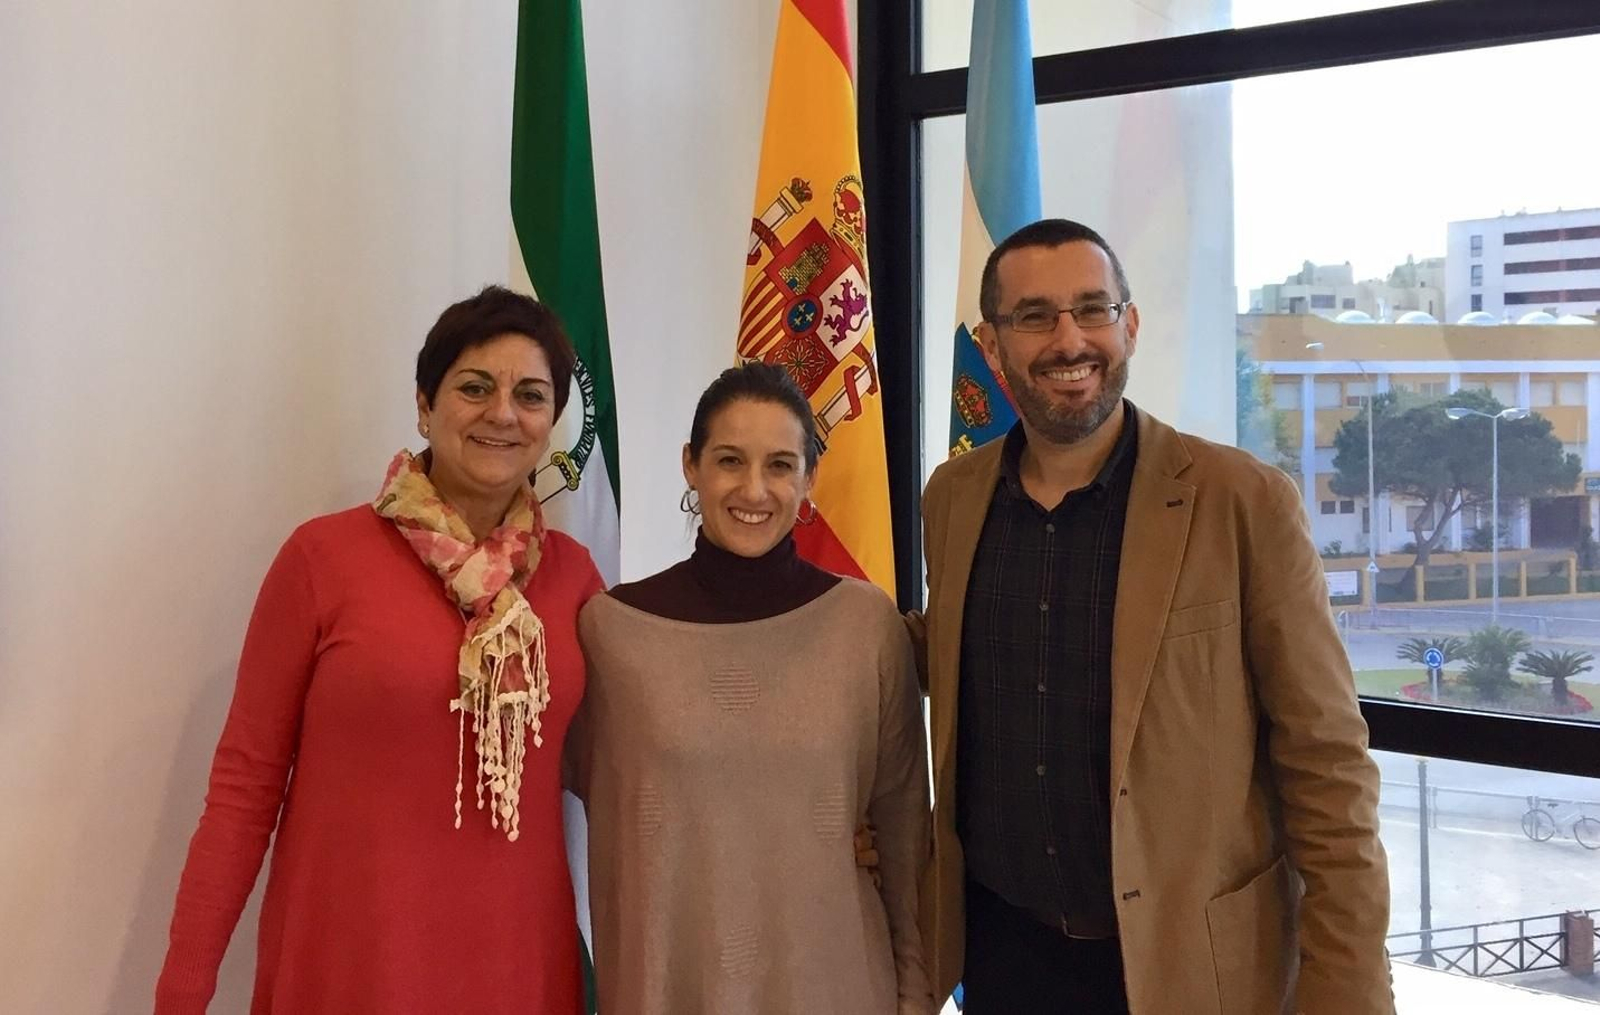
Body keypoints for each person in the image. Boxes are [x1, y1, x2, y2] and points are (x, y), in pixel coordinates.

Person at [917, 219, 1394, 1014]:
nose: (1070, 339)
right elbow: (943, 661)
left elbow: (1328, 767)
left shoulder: (1243, 501)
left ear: (1128, 325)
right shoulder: (953, 498)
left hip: (1189, 970)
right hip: (1001, 957)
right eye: (1035, 316)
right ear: (991, 346)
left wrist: (1343, 988)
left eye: (1092, 309)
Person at [155, 286, 604, 1013]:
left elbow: (633, 770)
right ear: (425, 406)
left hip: (519, 968)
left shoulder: (575, 580)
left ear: (551, 422)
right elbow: (243, 789)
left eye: (530, 394)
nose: (502, 412)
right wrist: (183, 988)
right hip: (349, 963)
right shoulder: (322, 557)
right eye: (474, 386)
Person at [568, 362, 934, 1014]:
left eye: (780, 464)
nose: (754, 489)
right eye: (730, 460)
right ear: (691, 465)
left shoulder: (865, 624)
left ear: (810, 477)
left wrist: (915, 994)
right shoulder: (610, 633)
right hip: (669, 988)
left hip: (839, 987)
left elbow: (905, 835)